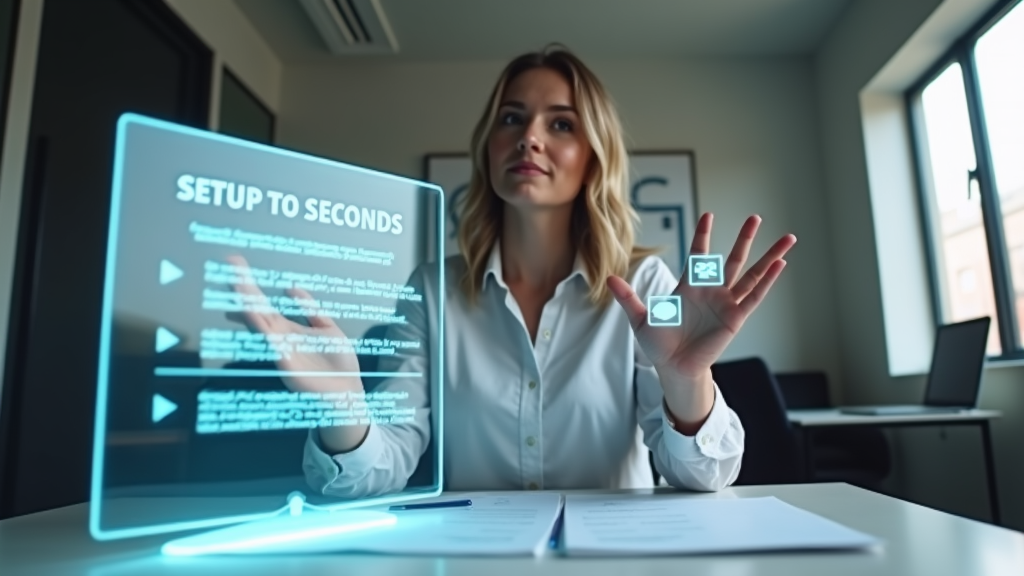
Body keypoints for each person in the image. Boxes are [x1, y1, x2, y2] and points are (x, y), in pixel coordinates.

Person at [235, 45, 795, 497]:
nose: (530, 136)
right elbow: (381, 468)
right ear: (488, 148)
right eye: (512, 118)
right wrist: (344, 406)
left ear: (593, 157)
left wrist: (686, 381)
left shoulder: (643, 288)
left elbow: (704, 476)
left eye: (562, 125)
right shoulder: (433, 290)